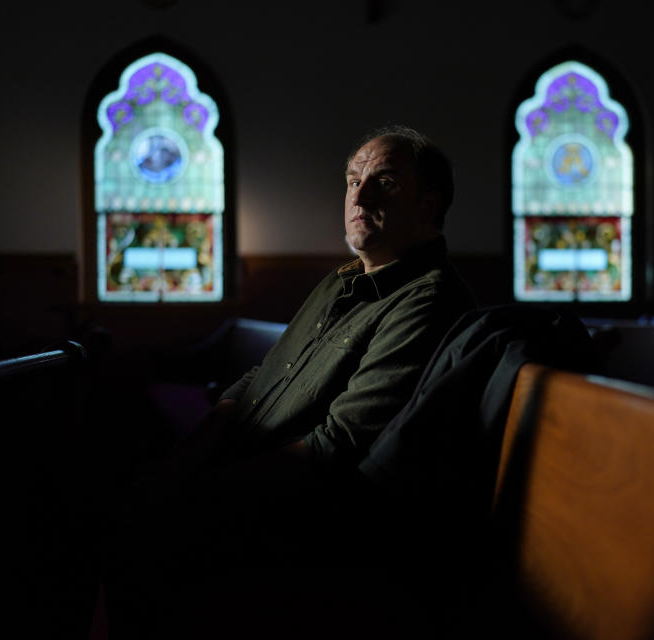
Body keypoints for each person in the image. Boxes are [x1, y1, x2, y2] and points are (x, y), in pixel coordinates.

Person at [102, 125, 476, 637]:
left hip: (308, 521)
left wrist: (201, 489)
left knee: (127, 534)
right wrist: (196, 449)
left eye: (383, 183)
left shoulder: (428, 300)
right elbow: (262, 375)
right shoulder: (340, 281)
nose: (358, 196)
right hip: (244, 476)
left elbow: (337, 447)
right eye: (352, 180)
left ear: (428, 206)